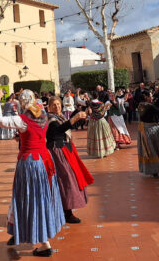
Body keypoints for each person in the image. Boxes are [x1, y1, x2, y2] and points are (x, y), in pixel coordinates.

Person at [0, 89, 65, 257]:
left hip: (30, 163)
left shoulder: (23, 119)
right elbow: (38, 134)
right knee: (41, 197)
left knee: (29, 198)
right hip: (45, 160)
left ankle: (44, 243)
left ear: (22, 103)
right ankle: (19, 231)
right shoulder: (43, 115)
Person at [46, 95, 92, 223]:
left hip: (65, 151)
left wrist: (82, 116)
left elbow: (69, 126)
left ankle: (65, 211)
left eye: (58, 104)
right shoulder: (50, 119)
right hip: (56, 153)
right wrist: (75, 118)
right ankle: (66, 213)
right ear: (49, 107)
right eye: (54, 105)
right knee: (65, 180)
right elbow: (59, 129)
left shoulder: (59, 117)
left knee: (69, 179)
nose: (57, 107)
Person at [86, 92, 115, 158]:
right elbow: (104, 113)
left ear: (92, 96)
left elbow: (88, 111)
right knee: (103, 136)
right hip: (101, 121)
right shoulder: (101, 104)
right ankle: (105, 151)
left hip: (93, 121)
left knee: (96, 137)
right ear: (98, 96)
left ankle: (98, 153)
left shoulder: (89, 103)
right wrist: (107, 107)